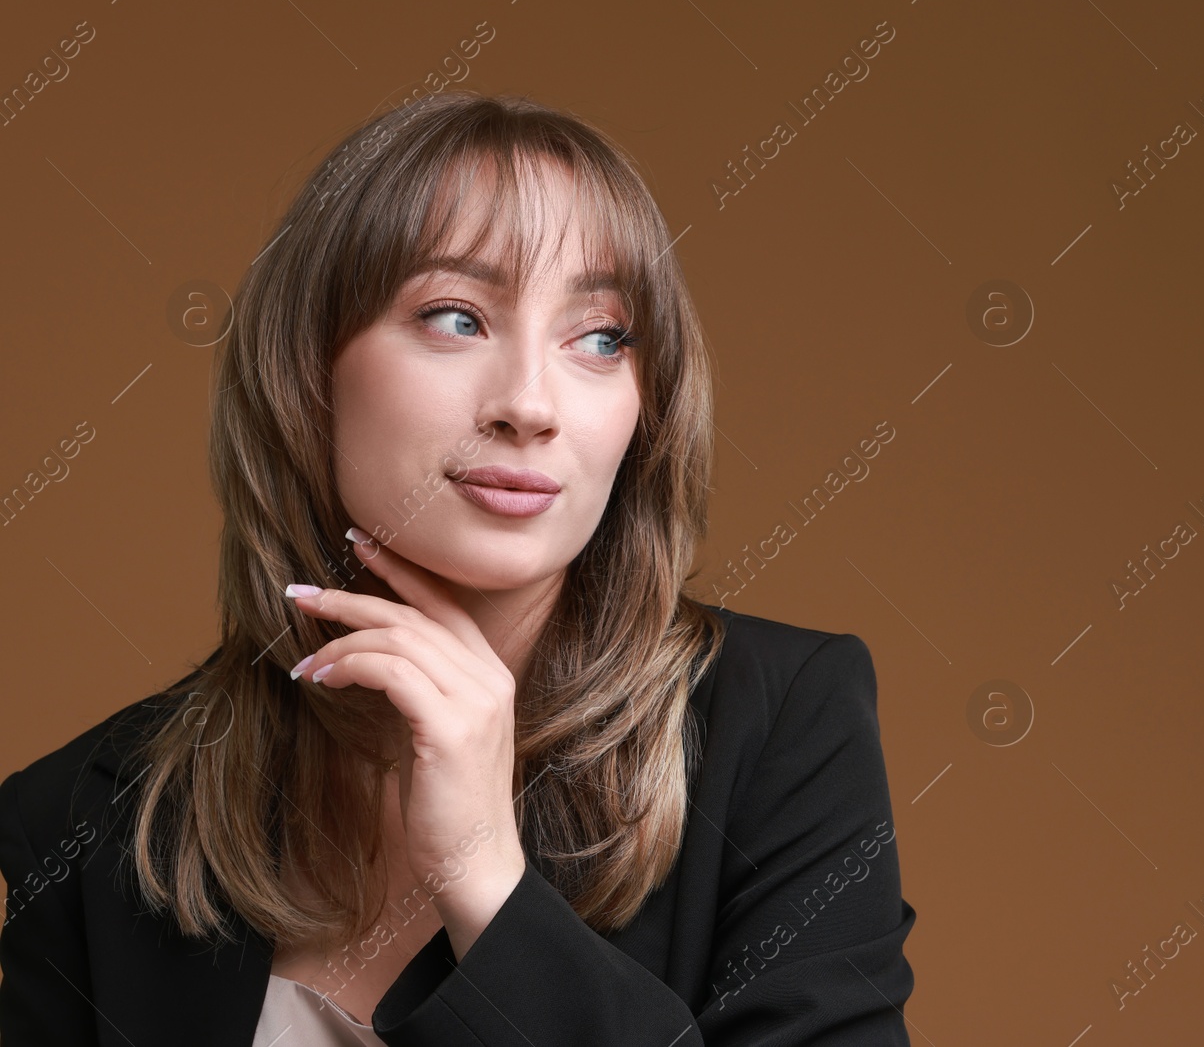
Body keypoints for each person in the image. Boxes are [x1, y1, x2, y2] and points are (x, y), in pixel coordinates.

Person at [0, 91, 915, 1045]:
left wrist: (489, 887)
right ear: (307, 371)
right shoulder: (91, 814)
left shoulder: (777, 727)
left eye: (601, 338)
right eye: (456, 317)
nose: (530, 404)